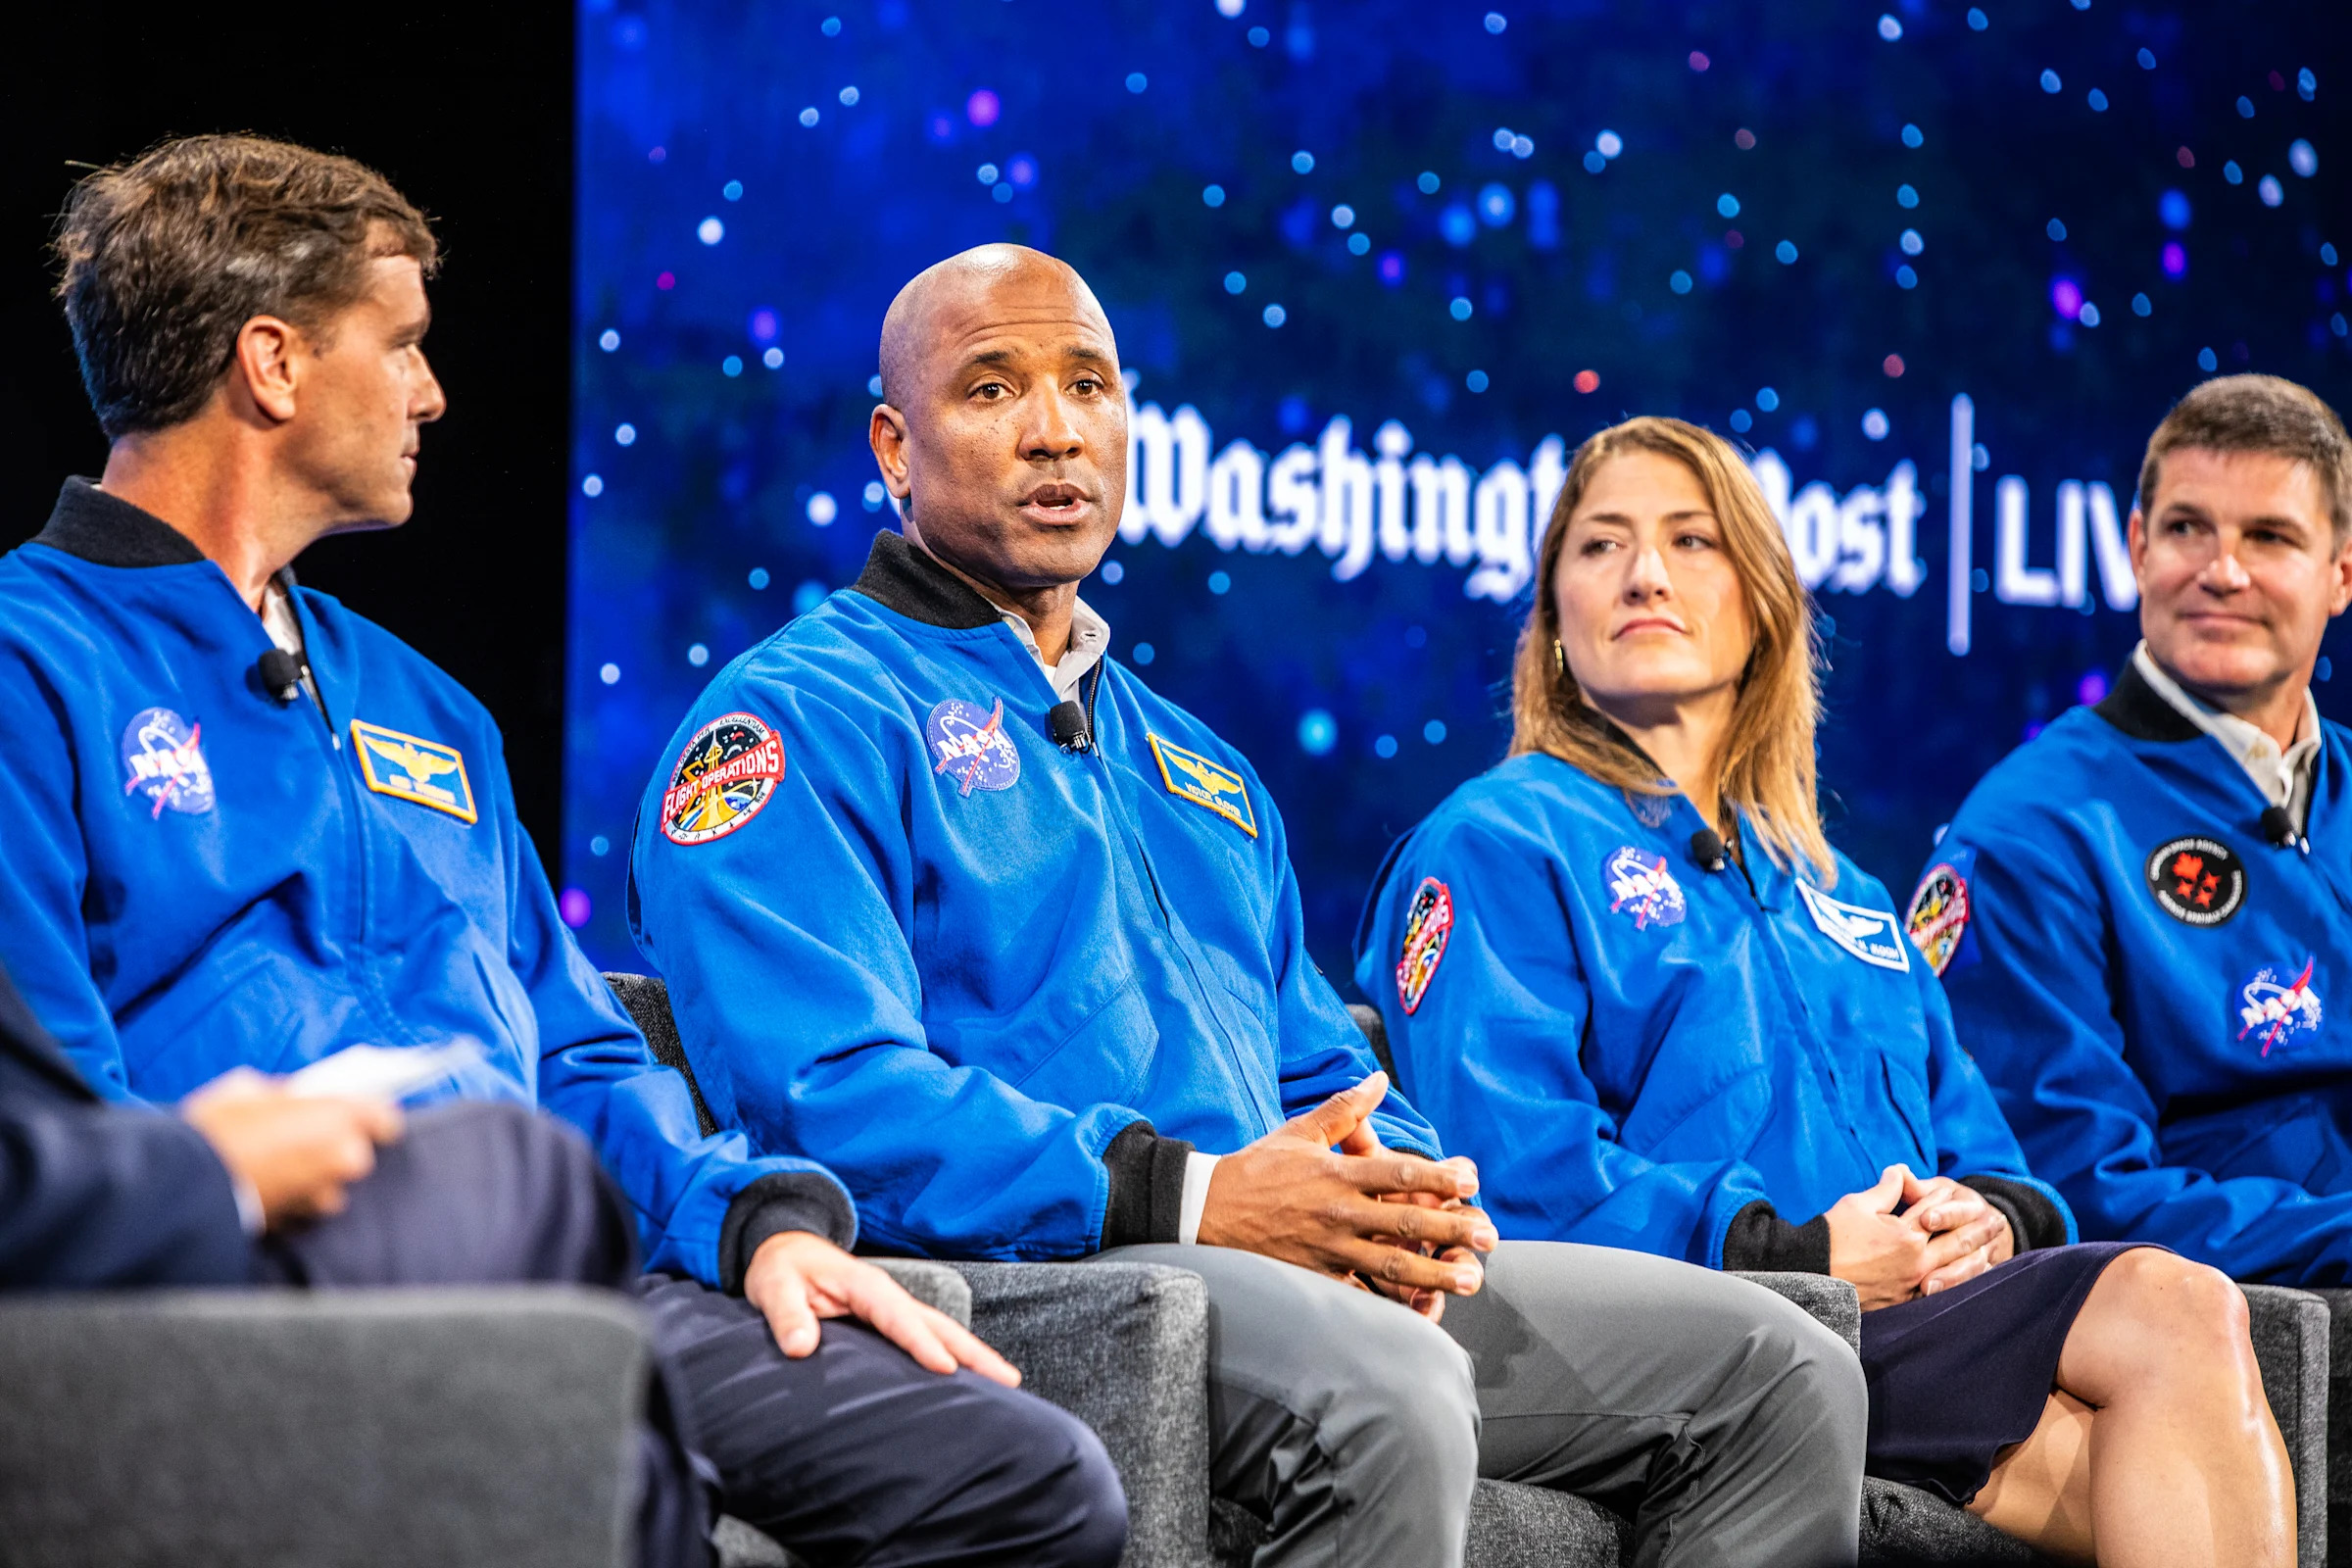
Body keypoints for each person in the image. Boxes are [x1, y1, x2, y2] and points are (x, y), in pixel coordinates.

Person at [628, 242, 1868, 1568]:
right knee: (1389, 1395)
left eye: (1089, 386)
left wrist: (1400, 1196)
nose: (1055, 430)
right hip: (1056, 1268)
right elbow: (825, 1096)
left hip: (1278, 1261)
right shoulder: (795, 719)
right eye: (991, 390)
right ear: (895, 448)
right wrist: (1193, 1196)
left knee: (1784, 1370)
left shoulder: (1200, 767)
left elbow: (1325, 1067)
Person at [0, 135, 1123, 1568]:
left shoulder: (425, 708)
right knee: (506, 1224)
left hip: (559, 1278)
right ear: (274, 367)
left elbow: (578, 1057)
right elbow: (53, 1115)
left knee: (1032, 1485)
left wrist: (751, 1226)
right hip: (261, 1291)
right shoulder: (32, 665)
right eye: (401, 344)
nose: (431, 392)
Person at [1354, 415, 2293, 1566]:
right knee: (2177, 1314)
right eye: (1600, 546)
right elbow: (1507, 1168)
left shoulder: (1842, 891)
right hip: (1711, 1325)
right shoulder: (1497, 840)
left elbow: (1989, 1147)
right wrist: (1794, 1248)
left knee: (2171, 1441)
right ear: (1554, 619)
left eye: (1692, 540)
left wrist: (1992, 1217)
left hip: (1909, 1324)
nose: (1645, 574)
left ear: (1763, 605)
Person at [0, 956, 713, 1566]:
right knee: (526, 1172)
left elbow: (578, 1054)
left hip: (588, 1249)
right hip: (191, 1250)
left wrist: (747, 1216)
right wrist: (205, 1168)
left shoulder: (489, 824)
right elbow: (66, 1089)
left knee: (694, 1398)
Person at [1920, 376, 2352, 1288]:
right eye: (2189, 528)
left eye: (2269, 537)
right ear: (2137, 548)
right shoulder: (2030, 833)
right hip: (2237, 1319)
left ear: (2341, 574)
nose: (2223, 571)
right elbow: (2078, 1199)